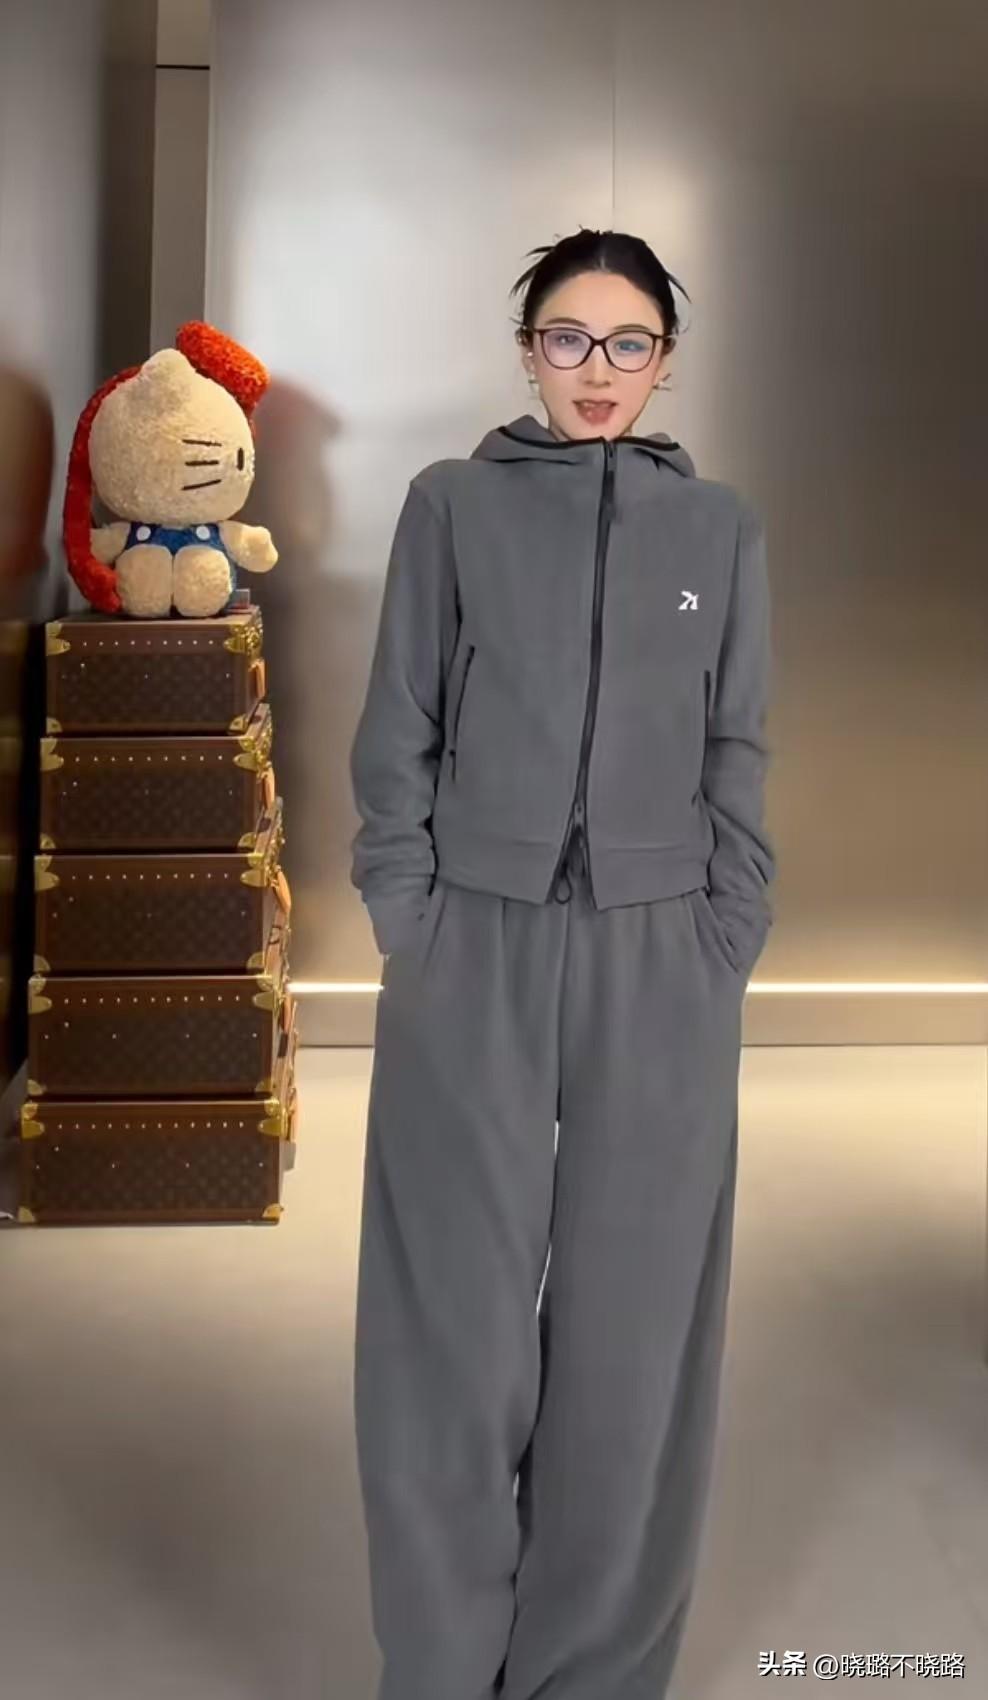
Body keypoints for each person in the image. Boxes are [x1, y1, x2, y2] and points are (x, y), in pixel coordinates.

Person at [349, 226, 776, 1700]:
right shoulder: (451, 505)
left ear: (668, 360)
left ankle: (591, 1671)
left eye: (629, 342)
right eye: (568, 338)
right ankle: (443, 1662)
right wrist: (407, 908)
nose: (599, 370)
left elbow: (738, 741)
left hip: (665, 956)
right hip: (473, 939)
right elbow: (398, 722)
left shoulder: (719, 529)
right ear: (528, 349)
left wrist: (727, 928)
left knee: (635, 1330)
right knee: (448, 1328)